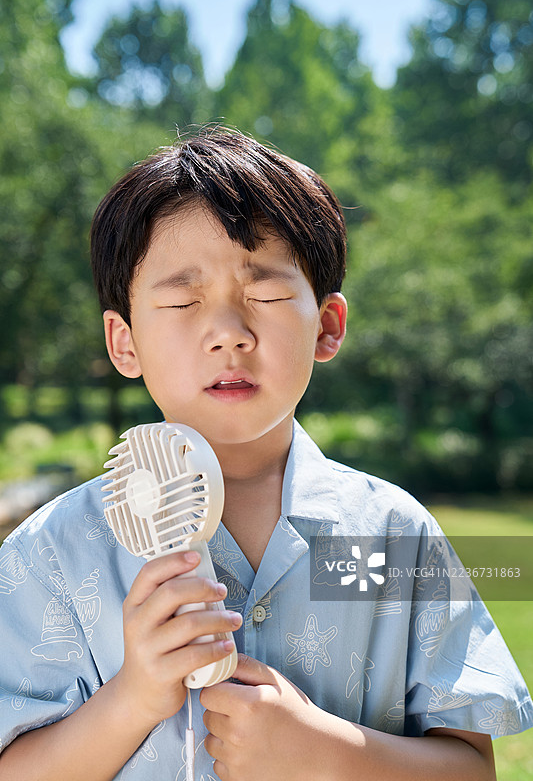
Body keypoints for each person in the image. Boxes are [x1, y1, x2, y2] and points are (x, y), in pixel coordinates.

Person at [0, 126, 531, 781]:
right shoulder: (51, 554)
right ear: (123, 341)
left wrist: (323, 753)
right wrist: (131, 700)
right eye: (181, 299)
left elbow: (471, 770)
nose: (227, 332)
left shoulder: (390, 540)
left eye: (267, 294)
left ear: (327, 326)